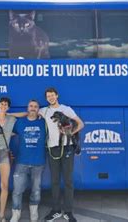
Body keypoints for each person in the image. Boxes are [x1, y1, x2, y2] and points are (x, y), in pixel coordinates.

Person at [40, 88, 84, 222]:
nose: (51, 98)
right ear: (46, 98)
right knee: (54, 181)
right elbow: (28, 113)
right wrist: (8, 115)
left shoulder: (66, 109)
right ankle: (56, 210)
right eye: (48, 96)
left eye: (52, 95)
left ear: (57, 95)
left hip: (67, 148)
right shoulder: (44, 111)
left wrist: (70, 133)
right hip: (52, 148)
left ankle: (68, 212)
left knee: (68, 181)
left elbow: (81, 124)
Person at [9, 100, 47, 222]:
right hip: (21, 162)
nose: (33, 108)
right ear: (27, 108)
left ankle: (33, 212)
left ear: (38, 109)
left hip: (38, 162)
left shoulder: (44, 123)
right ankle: (16, 213)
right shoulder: (20, 122)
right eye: (31, 106)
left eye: (36, 106)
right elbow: (7, 133)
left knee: (36, 190)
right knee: (17, 190)